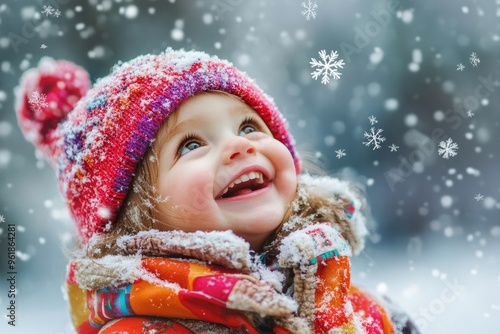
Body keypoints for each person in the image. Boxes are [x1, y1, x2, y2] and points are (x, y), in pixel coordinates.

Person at [16, 49, 419, 333]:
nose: (240, 146)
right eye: (191, 144)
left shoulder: (364, 310)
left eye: (248, 127)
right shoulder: (142, 328)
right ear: (133, 212)